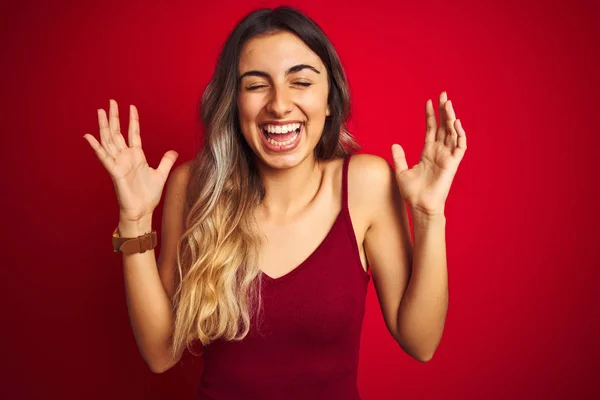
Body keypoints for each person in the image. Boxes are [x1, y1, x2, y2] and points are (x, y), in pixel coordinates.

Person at [83, 6, 467, 400]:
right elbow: (160, 352)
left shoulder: (366, 184)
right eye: (255, 85)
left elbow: (420, 342)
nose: (280, 105)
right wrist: (134, 219)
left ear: (331, 100)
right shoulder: (194, 186)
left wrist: (428, 214)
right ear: (233, 103)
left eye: (300, 82)